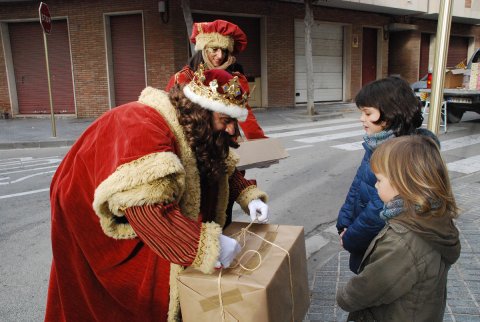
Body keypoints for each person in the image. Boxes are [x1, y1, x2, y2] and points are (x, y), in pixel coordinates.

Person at [44, 66, 269, 322]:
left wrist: (247, 195)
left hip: (132, 196)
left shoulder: (199, 128)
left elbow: (217, 164)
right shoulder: (146, 129)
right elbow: (148, 214)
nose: (231, 130)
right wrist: (208, 246)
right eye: (225, 120)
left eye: (234, 122)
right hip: (84, 198)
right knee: (131, 288)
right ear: (201, 110)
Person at [337, 135, 460, 321]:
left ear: (402, 184)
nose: (376, 185)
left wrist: (344, 296)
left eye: (379, 180)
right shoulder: (431, 218)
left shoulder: (403, 240)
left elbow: (369, 288)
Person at [336, 76, 439, 274]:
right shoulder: (376, 143)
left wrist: (351, 237)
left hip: (381, 246)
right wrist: (344, 222)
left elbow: (380, 209)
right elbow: (358, 185)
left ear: (390, 114)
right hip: (363, 237)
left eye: (367, 113)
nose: (362, 119)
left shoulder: (403, 153)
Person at [166, 19, 266, 140]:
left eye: (224, 51)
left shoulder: (231, 80)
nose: (220, 56)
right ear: (203, 49)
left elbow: (244, 112)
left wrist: (260, 140)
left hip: (226, 141)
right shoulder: (183, 78)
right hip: (195, 142)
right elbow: (170, 117)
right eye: (214, 49)